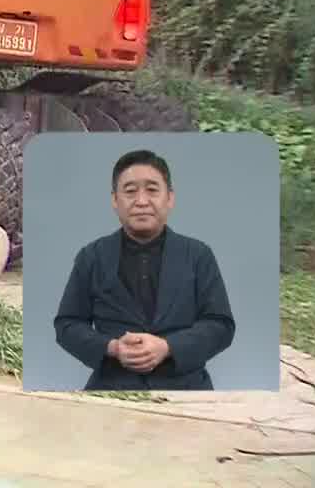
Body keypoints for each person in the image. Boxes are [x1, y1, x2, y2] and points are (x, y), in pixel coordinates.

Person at [52, 148, 235, 390]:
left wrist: (168, 347)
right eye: (130, 191)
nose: (141, 201)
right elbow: (67, 325)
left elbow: (221, 325)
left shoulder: (198, 255)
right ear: (115, 201)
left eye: (152, 190)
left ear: (169, 198)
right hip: (112, 388)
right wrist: (113, 348)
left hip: (187, 389)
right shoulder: (92, 256)